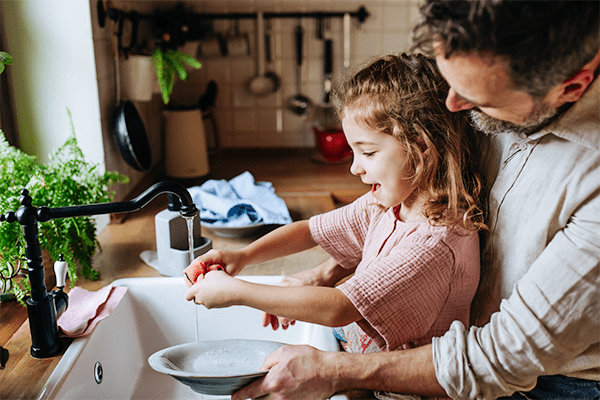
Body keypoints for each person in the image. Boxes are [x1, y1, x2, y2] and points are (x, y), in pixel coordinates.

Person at [224, 1, 600, 399]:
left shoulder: (591, 179)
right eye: (448, 78)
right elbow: (385, 216)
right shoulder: (495, 87)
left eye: (477, 99)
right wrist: (329, 270)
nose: (453, 105)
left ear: (570, 88)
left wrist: (337, 371)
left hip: (548, 383)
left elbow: (501, 358)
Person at [184, 53, 487, 357]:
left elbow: (340, 308)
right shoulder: (391, 205)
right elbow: (309, 231)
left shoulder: (437, 241)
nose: (355, 168)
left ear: (420, 147)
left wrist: (236, 292)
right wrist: (242, 256)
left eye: (367, 152)